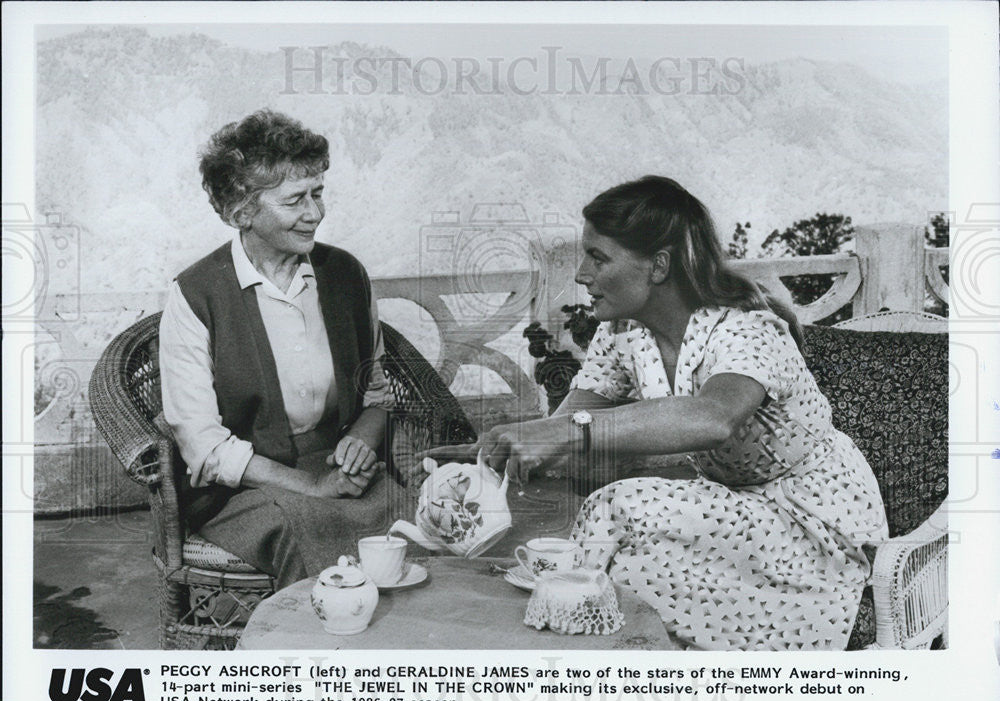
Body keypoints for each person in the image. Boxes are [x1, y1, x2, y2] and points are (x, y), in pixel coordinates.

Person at [440, 176, 888, 650]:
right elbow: (566, 435)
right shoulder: (623, 333)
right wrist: (494, 450)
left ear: (657, 266)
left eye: (598, 257)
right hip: (733, 508)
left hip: (812, 522)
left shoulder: (746, 329)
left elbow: (714, 418)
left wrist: (567, 430)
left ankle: (618, 654)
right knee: (618, 543)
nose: (580, 274)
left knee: (621, 512)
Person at [159, 109, 405, 588]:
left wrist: (361, 441)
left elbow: (376, 394)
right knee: (314, 535)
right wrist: (313, 486)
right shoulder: (195, 294)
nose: (315, 212)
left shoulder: (347, 275)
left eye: (318, 193)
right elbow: (205, 447)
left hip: (335, 466)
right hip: (245, 488)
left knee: (407, 522)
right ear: (241, 211)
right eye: (295, 200)